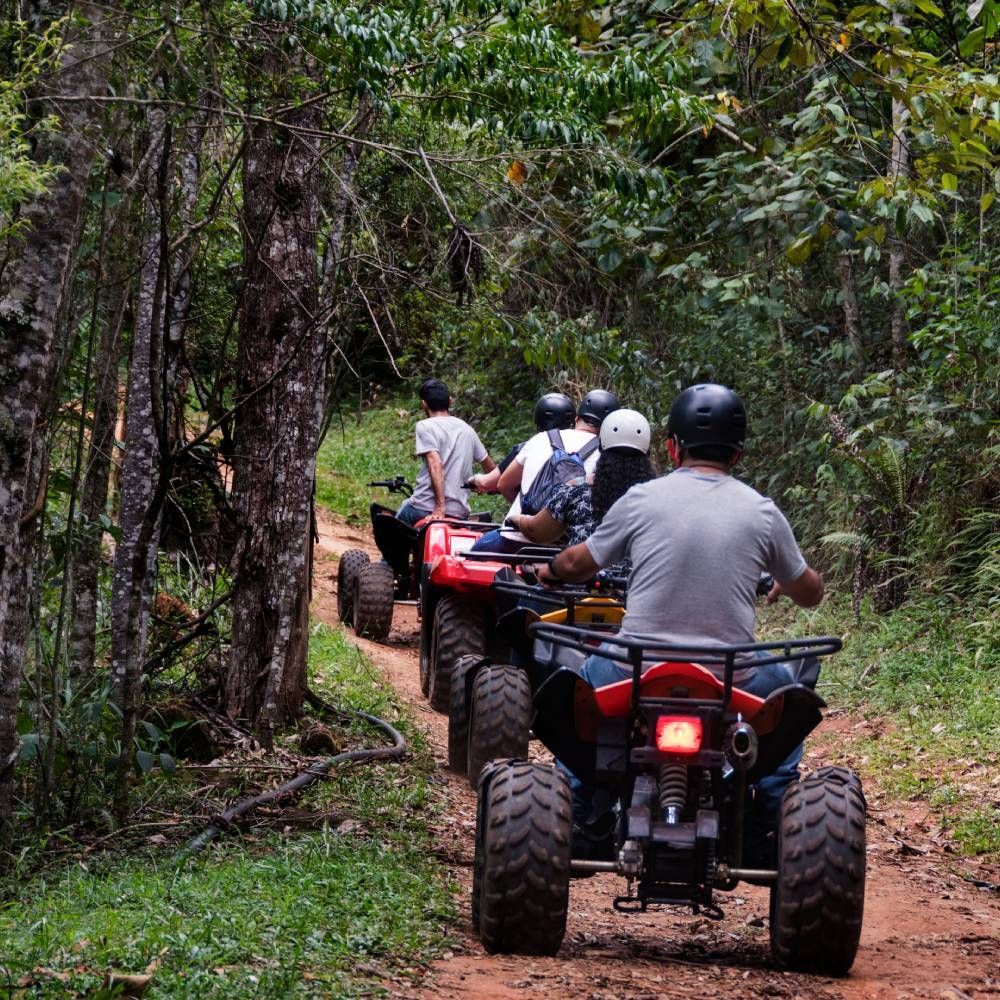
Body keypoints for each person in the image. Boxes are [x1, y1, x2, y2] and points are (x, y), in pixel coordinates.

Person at [533, 383, 824, 859]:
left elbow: (578, 565)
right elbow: (809, 592)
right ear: (739, 453)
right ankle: (770, 817)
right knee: (789, 707)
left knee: (575, 700)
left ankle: (583, 810)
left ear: (671, 447)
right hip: (733, 673)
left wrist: (549, 569)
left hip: (633, 666)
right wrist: (788, 579)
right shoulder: (762, 512)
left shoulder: (642, 499)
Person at [469, 388, 621, 554]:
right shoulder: (610, 457)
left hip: (516, 539)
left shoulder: (541, 438)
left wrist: (531, 512)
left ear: (576, 419)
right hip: (567, 549)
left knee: (471, 555)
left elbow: (503, 484)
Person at [507, 408, 654, 549]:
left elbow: (536, 531)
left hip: (583, 570)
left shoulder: (577, 488)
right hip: (640, 574)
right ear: (647, 452)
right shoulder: (656, 498)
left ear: (601, 448)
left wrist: (517, 519)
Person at [394, 378, 497, 526]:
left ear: (424, 404)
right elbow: (491, 469)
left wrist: (440, 507)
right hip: (460, 513)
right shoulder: (467, 429)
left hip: (424, 507)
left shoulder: (425, 426)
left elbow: (435, 464)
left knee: (392, 528)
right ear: (450, 401)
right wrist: (489, 485)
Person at [468, 392, 575, 495]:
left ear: (538, 423)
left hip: (537, 511)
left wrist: (475, 479)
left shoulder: (528, 447)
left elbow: (488, 483)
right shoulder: (583, 443)